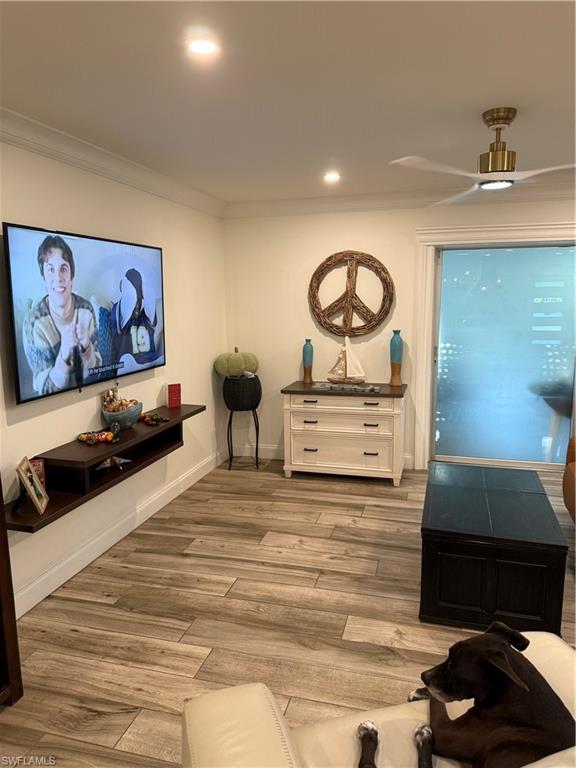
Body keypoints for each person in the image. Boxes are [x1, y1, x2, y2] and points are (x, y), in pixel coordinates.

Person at [23, 235, 102, 395]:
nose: (58, 278)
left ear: (72, 277)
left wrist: (87, 349)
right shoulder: (34, 322)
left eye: (63, 269)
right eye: (51, 269)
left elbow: (98, 372)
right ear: (43, 279)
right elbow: (44, 390)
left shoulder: (86, 309)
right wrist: (63, 356)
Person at [110, 268, 160, 371]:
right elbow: (128, 301)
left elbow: (150, 299)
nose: (137, 305)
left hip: (150, 364)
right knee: (127, 359)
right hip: (129, 366)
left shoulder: (146, 314)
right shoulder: (120, 313)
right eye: (135, 300)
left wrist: (142, 290)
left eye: (140, 299)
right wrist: (129, 288)